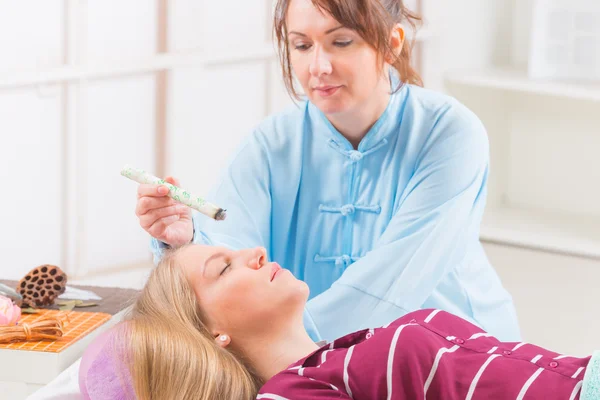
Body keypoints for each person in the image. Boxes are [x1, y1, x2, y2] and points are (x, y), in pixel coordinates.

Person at [134, 0, 521, 343]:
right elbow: (229, 259)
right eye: (301, 46)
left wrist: (286, 351)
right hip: (317, 366)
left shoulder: (448, 132)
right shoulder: (269, 146)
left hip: (457, 356)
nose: (318, 67)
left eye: (341, 42)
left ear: (392, 42)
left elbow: (393, 282)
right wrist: (184, 244)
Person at [80, 244, 596, 400]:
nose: (255, 251)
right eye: (225, 267)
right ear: (213, 336)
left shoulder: (339, 355)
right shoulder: (290, 395)